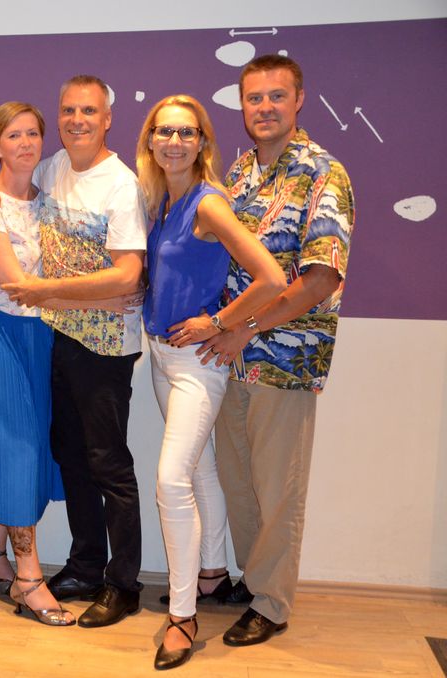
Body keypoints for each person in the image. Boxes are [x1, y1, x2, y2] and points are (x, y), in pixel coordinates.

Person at [0, 101, 137, 626]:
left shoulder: (48, 190)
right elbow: (15, 284)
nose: (26, 143)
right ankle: (28, 579)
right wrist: (103, 297)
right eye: (13, 135)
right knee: (15, 452)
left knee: (26, 448)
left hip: (44, 339)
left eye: (32, 133)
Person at [196, 54, 355, 647]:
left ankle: (272, 602)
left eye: (276, 96)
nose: (264, 108)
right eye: (254, 98)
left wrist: (247, 327)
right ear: (242, 105)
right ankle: (253, 578)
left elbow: (320, 280)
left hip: (284, 359)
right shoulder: (239, 173)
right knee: (240, 482)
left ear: (299, 100)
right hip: (230, 356)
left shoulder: (323, 173)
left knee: (279, 486)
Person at [135, 94, 285, 670]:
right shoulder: (162, 200)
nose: (174, 142)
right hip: (161, 356)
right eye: (164, 131)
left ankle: (182, 616)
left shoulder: (208, 203)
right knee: (198, 470)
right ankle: (213, 573)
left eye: (186, 133)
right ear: (150, 140)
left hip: (197, 362)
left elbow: (271, 278)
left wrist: (221, 323)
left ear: (202, 142)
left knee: (170, 480)